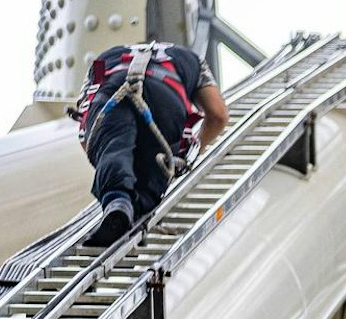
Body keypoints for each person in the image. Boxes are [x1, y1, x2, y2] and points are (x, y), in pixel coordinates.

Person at [70, 42, 229, 247]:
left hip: (111, 91)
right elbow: (218, 115)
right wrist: (194, 152)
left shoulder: (106, 55)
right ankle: (134, 214)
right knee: (152, 176)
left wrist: (102, 158)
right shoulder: (192, 59)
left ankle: (117, 203)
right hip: (166, 94)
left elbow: (86, 119)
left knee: (113, 147)